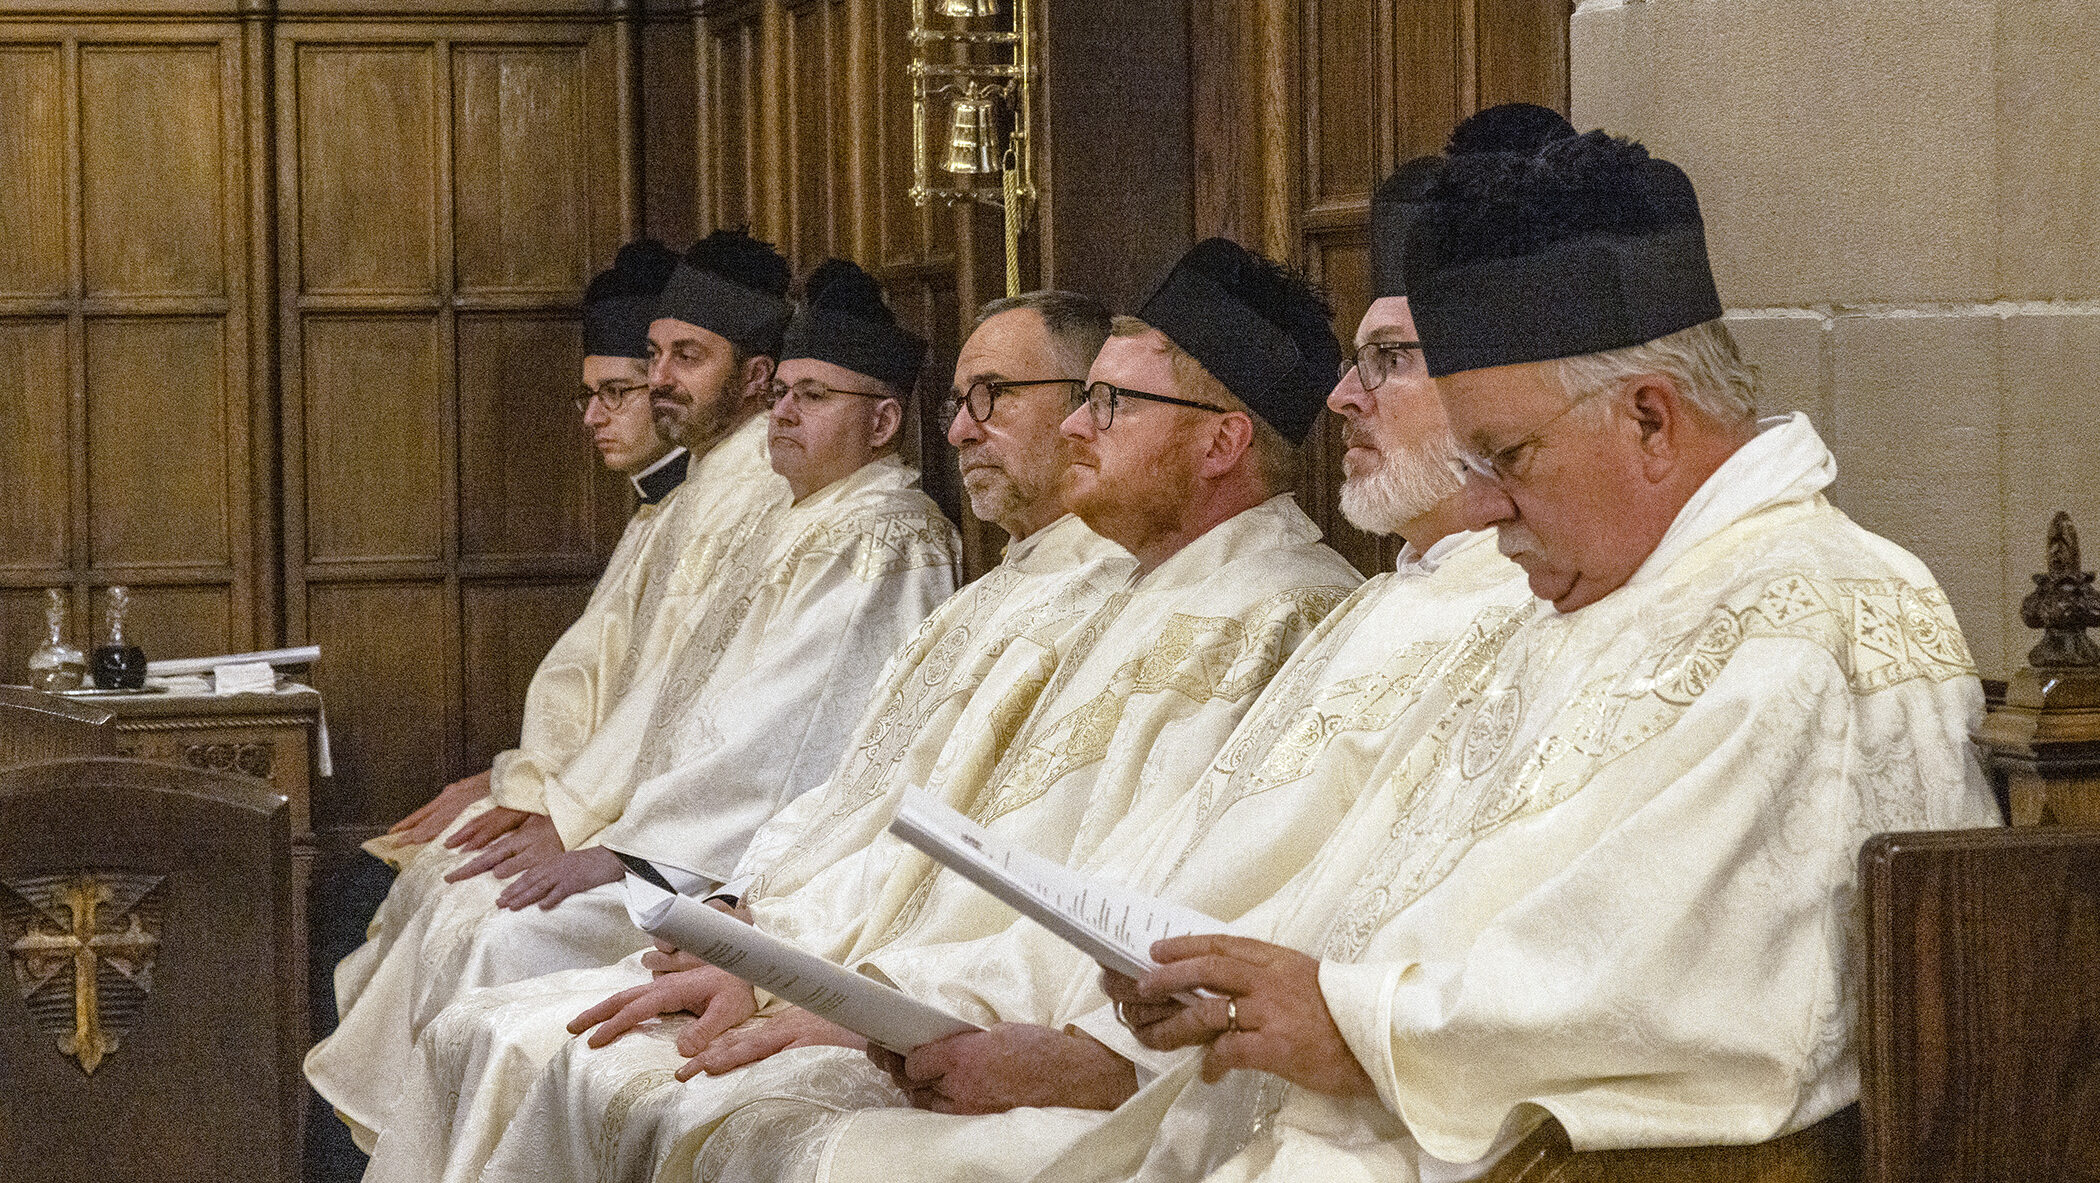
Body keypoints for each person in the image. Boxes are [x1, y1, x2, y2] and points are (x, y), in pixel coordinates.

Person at [1053, 125, 2004, 1183]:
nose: (1488, 508)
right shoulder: (1572, 594)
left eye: (1507, 457)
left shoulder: (1815, 622)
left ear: (1651, 418)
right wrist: (1231, 977)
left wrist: (1355, 1023)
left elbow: (1694, 1002)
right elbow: (1376, 873)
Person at [458, 239, 1365, 1183]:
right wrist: (763, 933)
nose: (1079, 430)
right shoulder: (1116, 591)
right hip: (920, 982)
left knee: (691, 1108)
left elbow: (1140, 891)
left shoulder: (1284, 611)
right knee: (535, 1041)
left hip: (1061, 1036)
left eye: (1109, 403)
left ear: (1221, 442)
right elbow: (898, 803)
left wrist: (863, 997)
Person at [358, 288, 1138, 1183]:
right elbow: (830, 773)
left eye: (991, 397)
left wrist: (670, 874)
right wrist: (744, 911)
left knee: (514, 982)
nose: (961, 429)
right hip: (790, 903)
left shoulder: (896, 537)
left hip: (854, 938)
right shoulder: (994, 581)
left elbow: (795, 748)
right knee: (491, 1007)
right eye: (960, 403)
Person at [307, 229, 800, 1148]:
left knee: (480, 919)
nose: (654, 385)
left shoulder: (783, 509)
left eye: (678, 359)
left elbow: (737, 723)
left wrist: (576, 819)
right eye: (649, 359)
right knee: (404, 890)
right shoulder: (699, 497)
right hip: (623, 818)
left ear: (760, 375)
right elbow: (633, 687)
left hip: (686, 853)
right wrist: (530, 788)